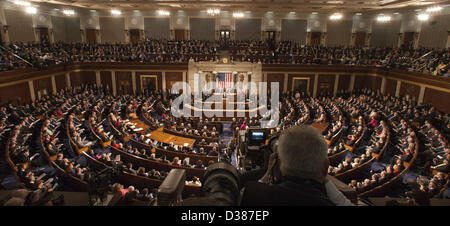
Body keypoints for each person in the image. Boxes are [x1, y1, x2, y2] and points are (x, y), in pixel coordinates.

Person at [241, 125, 340, 206]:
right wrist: (323, 176)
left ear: (277, 163)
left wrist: (268, 173)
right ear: (325, 167)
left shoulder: (252, 196)